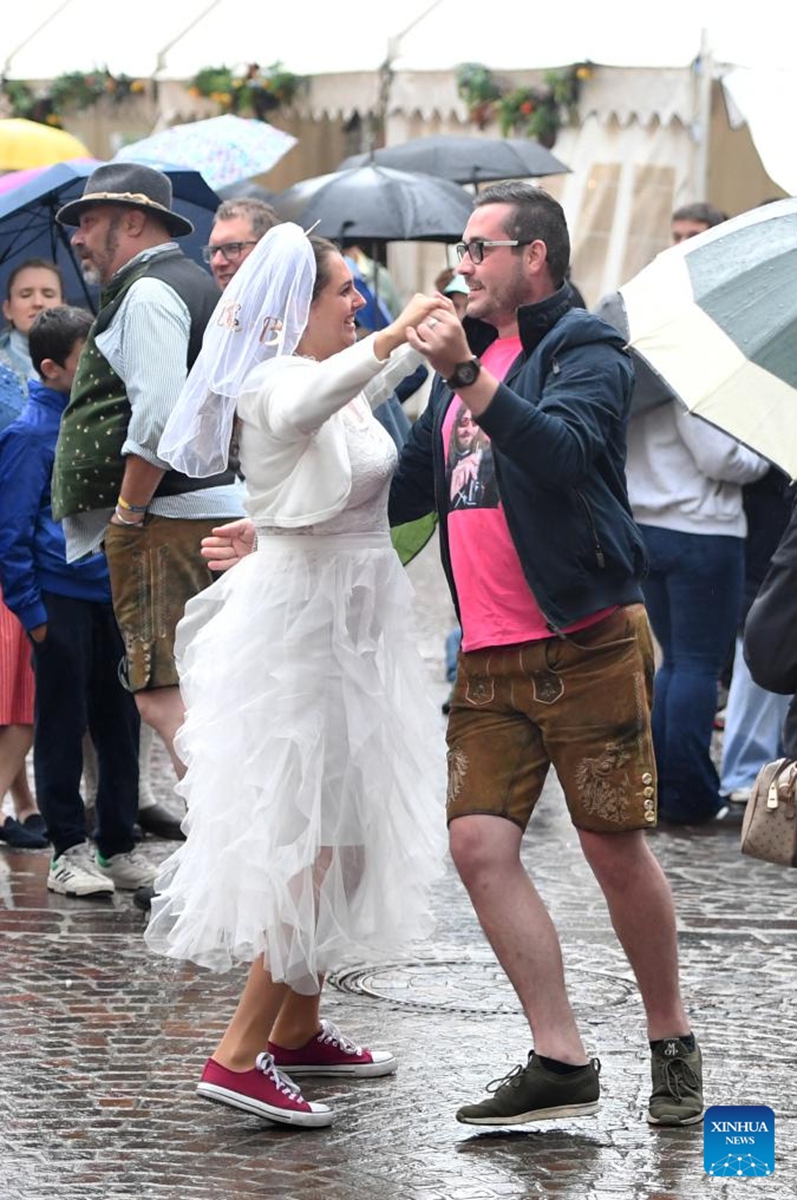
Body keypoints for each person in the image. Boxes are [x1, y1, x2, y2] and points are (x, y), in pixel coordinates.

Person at [387, 181, 704, 1128]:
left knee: (612, 850)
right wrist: (275, 535)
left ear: (534, 258)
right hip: (485, 652)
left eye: (480, 248)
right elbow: (407, 486)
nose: (462, 264)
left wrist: (466, 378)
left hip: (584, 637)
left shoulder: (586, 349)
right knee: (477, 847)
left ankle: (669, 1034)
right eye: (461, 247)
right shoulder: (468, 357)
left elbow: (565, 454)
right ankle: (559, 1055)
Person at [146, 224, 447, 1128]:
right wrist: (390, 339)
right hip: (303, 630)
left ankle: (300, 1027)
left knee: (347, 825)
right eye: (343, 291)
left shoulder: (341, 384)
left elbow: (357, 412)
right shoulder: (271, 379)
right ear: (299, 306)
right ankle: (237, 1055)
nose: (358, 303)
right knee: (306, 842)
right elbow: (300, 407)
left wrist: (433, 328)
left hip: (355, 617)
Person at [49, 163, 245, 788]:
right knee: (196, 694)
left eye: (88, 222)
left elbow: (159, 417)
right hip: (193, 513)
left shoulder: (152, 291)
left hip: (166, 520)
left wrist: (128, 515)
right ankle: (233, 847)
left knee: (164, 697)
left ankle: (228, 839)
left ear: (131, 221)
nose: (78, 237)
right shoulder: (183, 284)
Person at [0, 305, 154, 897]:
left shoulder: (104, 423)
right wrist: (35, 618)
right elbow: (11, 535)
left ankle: (117, 844)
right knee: (61, 726)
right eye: (86, 359)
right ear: (51, 368)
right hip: (58, 602)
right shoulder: (28, 435)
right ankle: (68, 848)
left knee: (119, 725)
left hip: (108, 596)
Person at [0, 258, 64, 848]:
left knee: (17, 687)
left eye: (49, 293)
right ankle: (14, 800)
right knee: (15, 687)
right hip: (17, 535)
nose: (37, 301)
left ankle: (25, 801)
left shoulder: (75, 367)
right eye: (26, 294)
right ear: (8, 307)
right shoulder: (5, 373)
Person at [202, 196, 280, 290]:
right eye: (213, 251)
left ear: (268, 248)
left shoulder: (296, 302)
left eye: (232, 248)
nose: (217, 262)